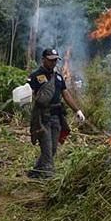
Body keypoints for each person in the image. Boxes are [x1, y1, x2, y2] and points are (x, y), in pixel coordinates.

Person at [27, 48, 85, 178]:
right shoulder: (35, 76)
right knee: (47, 149)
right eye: (50, 60)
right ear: (43, 60)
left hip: (57, 118)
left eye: (55, 60)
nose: (53, 63)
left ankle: (35, 173)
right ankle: (48, 178)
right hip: (42, 119)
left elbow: (65, 94)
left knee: (52, 149)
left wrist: (77, 110)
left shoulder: (58, 77)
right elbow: (27, 92)